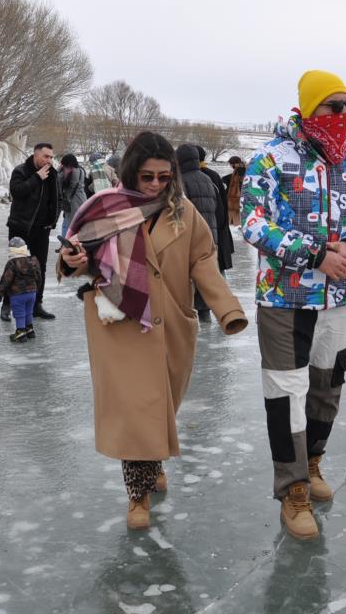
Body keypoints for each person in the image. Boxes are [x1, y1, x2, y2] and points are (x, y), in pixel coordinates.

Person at [58, 131, 248, 530]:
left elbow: (203, 261)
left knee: (161, 405)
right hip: (120, 323)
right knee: (136, 411)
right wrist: (73, 258)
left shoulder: (184, 212)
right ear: (131, 173)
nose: (157, 185)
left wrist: (227, 309)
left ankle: (152, 460)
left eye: (165, 177)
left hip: (170, 321)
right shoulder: (103, 208)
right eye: (148, 177)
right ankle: (137, 495)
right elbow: (76, 259)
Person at [241, 70, 346, 540]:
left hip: (336, 298)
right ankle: (293, 491)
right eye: (333, 106)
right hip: (284, 298)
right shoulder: (271, 158)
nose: (343, 115)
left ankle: (313, 463)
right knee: (286, 391)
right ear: (309, 107)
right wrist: (315, 255)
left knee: (327, 385)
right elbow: (251, 222)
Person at [4, 143, 60, 321]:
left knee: (39, 268)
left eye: (51, 157)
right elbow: (16, 191)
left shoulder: (53, 174)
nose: (49, 160)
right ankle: (7, 304)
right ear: (35, 155)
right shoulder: (21, 171)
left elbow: (57, 198)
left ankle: (37, 305)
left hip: (41, 229)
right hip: (21, 228)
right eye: (45, 156)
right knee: (15, 267)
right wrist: (36, 177)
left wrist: (53, 220)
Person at [175, 144, 220, 323]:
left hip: (189, 238)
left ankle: (190, 323)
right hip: (209, 235)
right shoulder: (207, 179)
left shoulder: (180, 181)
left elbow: (179, 213)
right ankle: (205, 317)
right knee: (204, 277)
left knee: (187, 281)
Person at [0, 236, 43, 343]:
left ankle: (20, 332)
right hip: (32, 293)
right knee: (29, 311)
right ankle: (29, 330)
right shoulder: (34, 260)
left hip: (18, 294)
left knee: (19, 313)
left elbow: (6, 280)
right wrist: (36, 289)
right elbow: (39, 276)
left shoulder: (12, 263)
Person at [196, 145, 234, 275]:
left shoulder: (189, 177)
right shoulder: (214, 175)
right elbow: (223, 206)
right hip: (218, 230)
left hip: (205, 235)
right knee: (218, 272)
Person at [58, 153, 87, 236]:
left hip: (73, 201)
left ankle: (67, 243)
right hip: (81, 198)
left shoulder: (72, 172)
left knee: (70, 225)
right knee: (70, 222)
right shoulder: (81, 170)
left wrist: (60, 170)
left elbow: (58, 181)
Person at [224, 155, 246, 226]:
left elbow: (240, 182)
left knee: (236, 214)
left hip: (237, 196)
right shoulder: (240, 168)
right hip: (236, 195)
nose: (231, 165)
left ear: (236, 163)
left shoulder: (240, 169)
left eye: (231, 164)